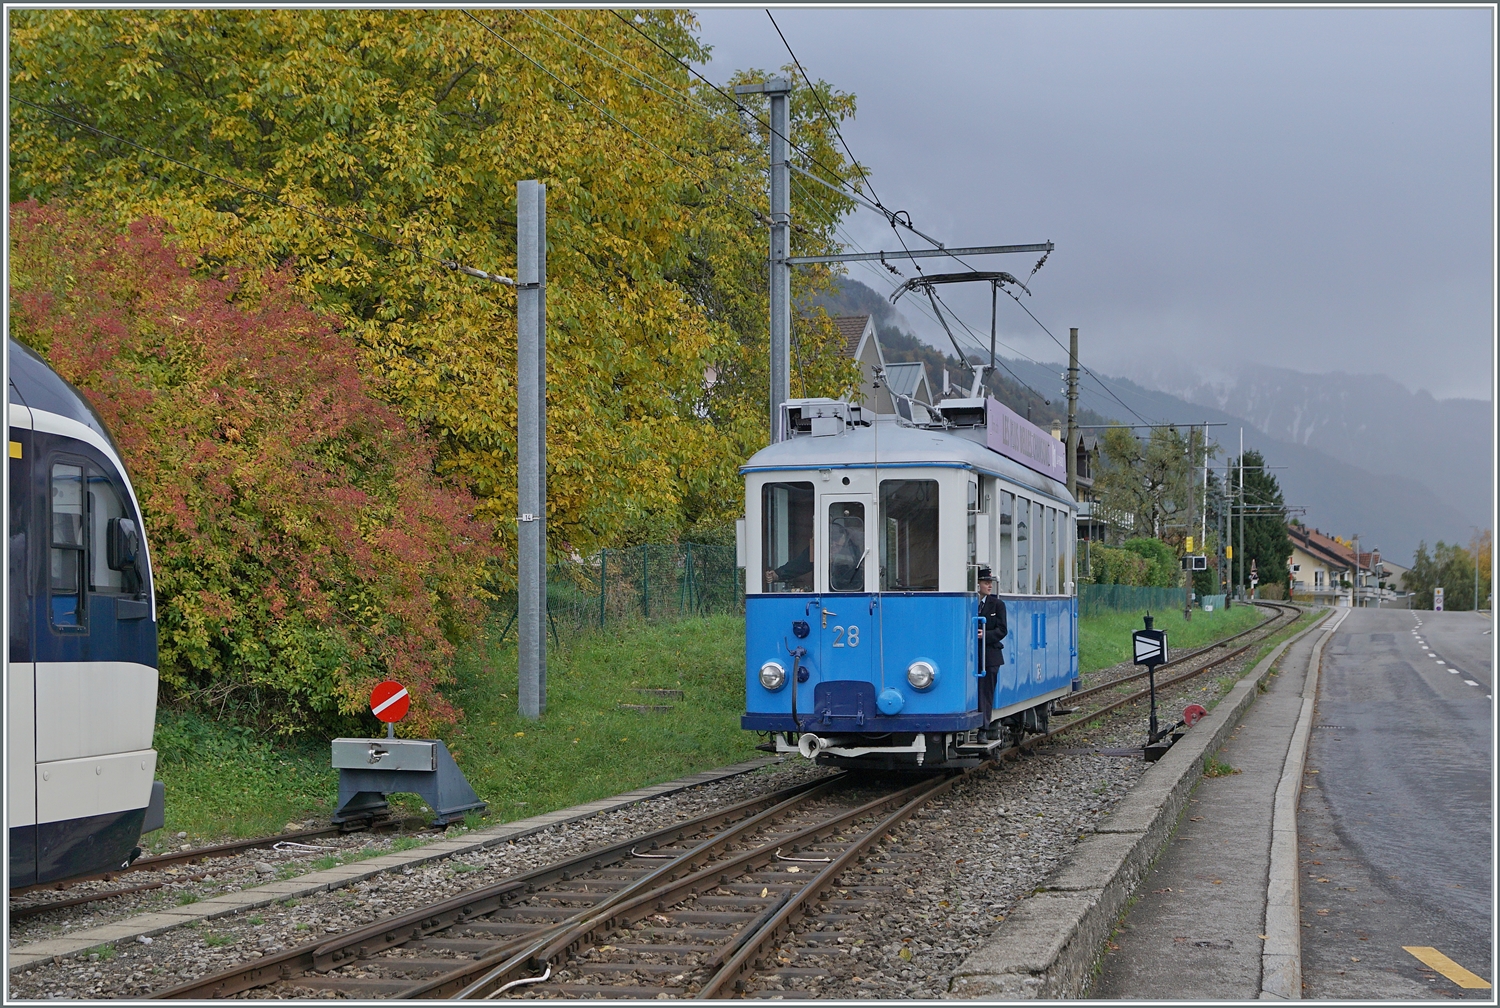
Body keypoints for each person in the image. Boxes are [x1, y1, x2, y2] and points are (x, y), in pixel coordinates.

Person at [976, 566, 1008, 740]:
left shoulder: (997, 604)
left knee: (986, 693)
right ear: (977, 584)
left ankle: (984, 728)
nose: (989, 586)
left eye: (990, 583)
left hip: (990, 656)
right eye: (986, 582)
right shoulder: (969, 604)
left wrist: (984, 635)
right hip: (974, 656)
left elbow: (1002, 630)